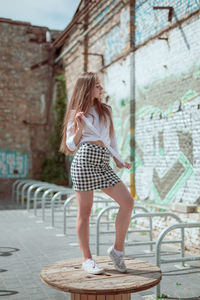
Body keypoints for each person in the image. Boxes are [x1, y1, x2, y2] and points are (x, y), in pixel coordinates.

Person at [60, 72, 134, 275]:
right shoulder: (76, 112)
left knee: (127, 202)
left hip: (103, 161)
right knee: (84, 212)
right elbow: (71, 145)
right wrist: (79, 127)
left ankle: (117, 251)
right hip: (84, 160)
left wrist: (118, 159)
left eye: (101, 86)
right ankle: (87, 259)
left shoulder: (106, 110)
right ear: (87, 88)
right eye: (98, 86)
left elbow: (111, 138)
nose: (101, 90)